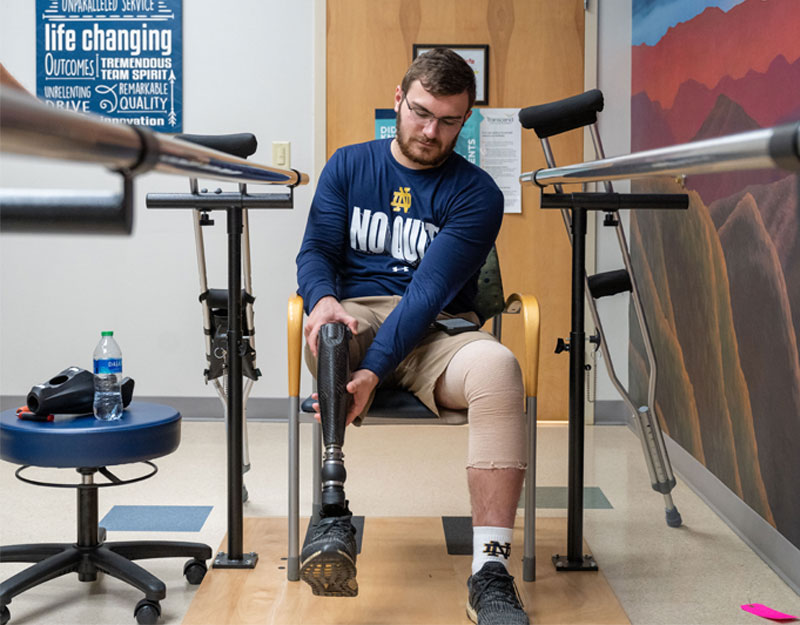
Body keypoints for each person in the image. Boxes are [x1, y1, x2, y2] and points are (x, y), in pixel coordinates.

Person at [296, 48, 529, 625]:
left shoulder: (477, 194)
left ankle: (491, 571)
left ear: (467, 118)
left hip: (437, 332)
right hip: (358, 314)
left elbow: (427, 294)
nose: (431, 131)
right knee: (327, 335)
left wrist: (374, 371)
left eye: (450, 121)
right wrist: (324, 300)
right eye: (421, 113)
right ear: (398, 100)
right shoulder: (348, 165)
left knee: (500, 369)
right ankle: (331, 513)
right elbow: (317, 251)